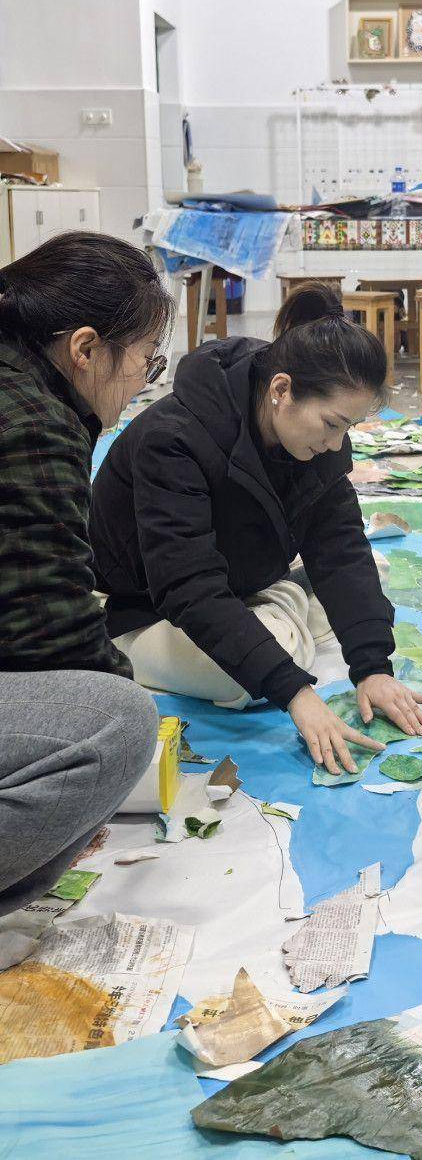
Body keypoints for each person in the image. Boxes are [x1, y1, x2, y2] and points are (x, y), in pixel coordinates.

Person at [90, 282, 422, 778]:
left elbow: (341, 546)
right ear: (281, 391)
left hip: (241, 578)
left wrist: (373, 668)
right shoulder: (173, 439)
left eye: (348, 428)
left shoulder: (315, 438)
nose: (336, 443)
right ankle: (283, 606)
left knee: (369, 575)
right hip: (143, 605)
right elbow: (188, 586)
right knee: (248, 679)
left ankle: (279, 606)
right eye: (332, 423)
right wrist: (296, 693)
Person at [0, 231, 174, 914]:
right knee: (119, 722)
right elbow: (50, 631)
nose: (143, 381)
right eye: (144, 360)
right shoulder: (34, 421)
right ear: (84, 348)